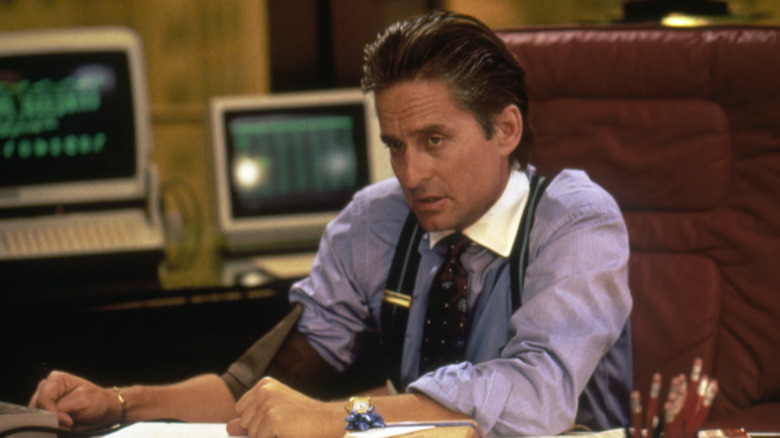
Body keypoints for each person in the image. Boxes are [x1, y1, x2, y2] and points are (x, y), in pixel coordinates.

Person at [29, 10, 632, 438]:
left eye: (434, 140)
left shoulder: (575, 220)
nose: (411, 172)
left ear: (505, 130)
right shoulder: (374, 222)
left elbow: (534, 399)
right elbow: (259, 387)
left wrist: (341, 416)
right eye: (395, 145)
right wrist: (120, 402)